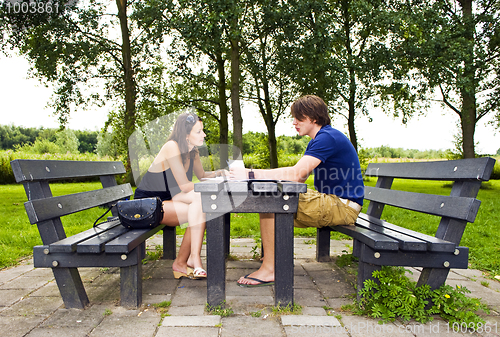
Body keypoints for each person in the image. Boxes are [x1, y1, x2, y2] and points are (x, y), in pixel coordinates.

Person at [230, 95, 364, 287]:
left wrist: (250, 174)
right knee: (271, 197)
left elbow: (294, 174)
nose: (294, 123)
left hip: (343, 206)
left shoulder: (327, 137)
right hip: (336, 201)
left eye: (299, 118)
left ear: (313, 118)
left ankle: (270, 269)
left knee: (270, 201)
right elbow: (300, 178)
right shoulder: (320, 138)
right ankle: (271, 257)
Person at [134, 112, 226, 279]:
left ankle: (188, 260)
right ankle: (190, 260)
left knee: (200, 205)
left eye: (202, 130)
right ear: (186, 134)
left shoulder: (193, 152)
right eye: (199, 131)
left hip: (167, 200)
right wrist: (212, 187)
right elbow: (184, 185)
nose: (203, 134)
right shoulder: (171, 147)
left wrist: (222, 173)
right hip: (147, 204)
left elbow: (202, 175)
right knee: (201, 207)